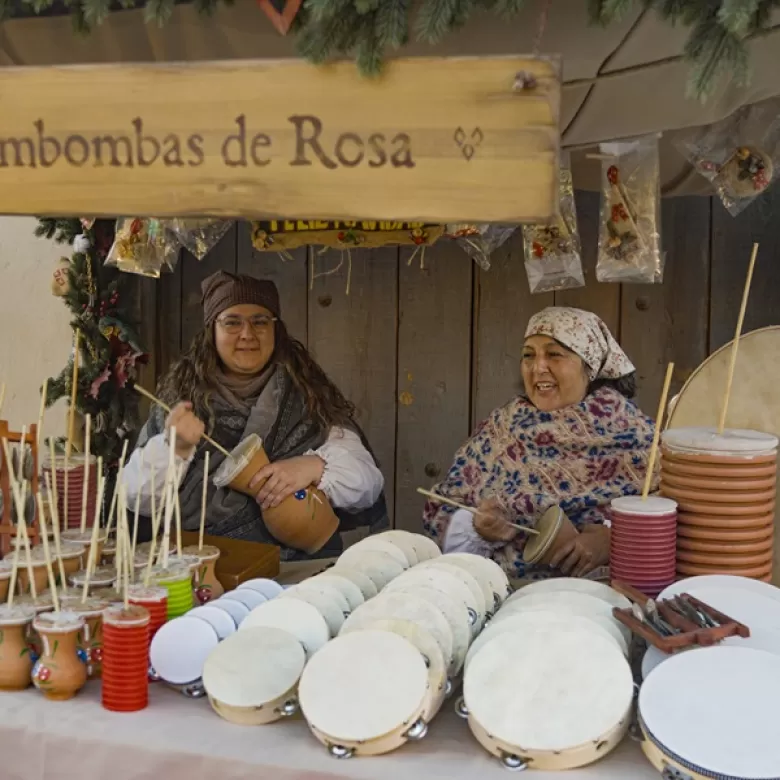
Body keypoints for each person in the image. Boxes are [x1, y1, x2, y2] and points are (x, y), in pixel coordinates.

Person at [123, 271, 387, 560]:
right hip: (193, 569)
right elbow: (139, 499)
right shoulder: (181, 402)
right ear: (213, 331)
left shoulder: (308, 397)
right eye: (232, 322)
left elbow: (367, 483)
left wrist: (313, 466)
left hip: (293, 574)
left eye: (260, 321)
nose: (247, 333)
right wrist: (175, 449)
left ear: (276, 330)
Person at [422, 306, 658, 580]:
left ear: (590, 365)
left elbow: (675, 516)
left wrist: (612, 539)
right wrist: (478, 528)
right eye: (528, 356)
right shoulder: (502, 428)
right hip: (503, 595)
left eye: (555, 355)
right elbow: (443, 511)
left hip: (607, 601)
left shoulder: (635, 435)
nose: (538, 368)